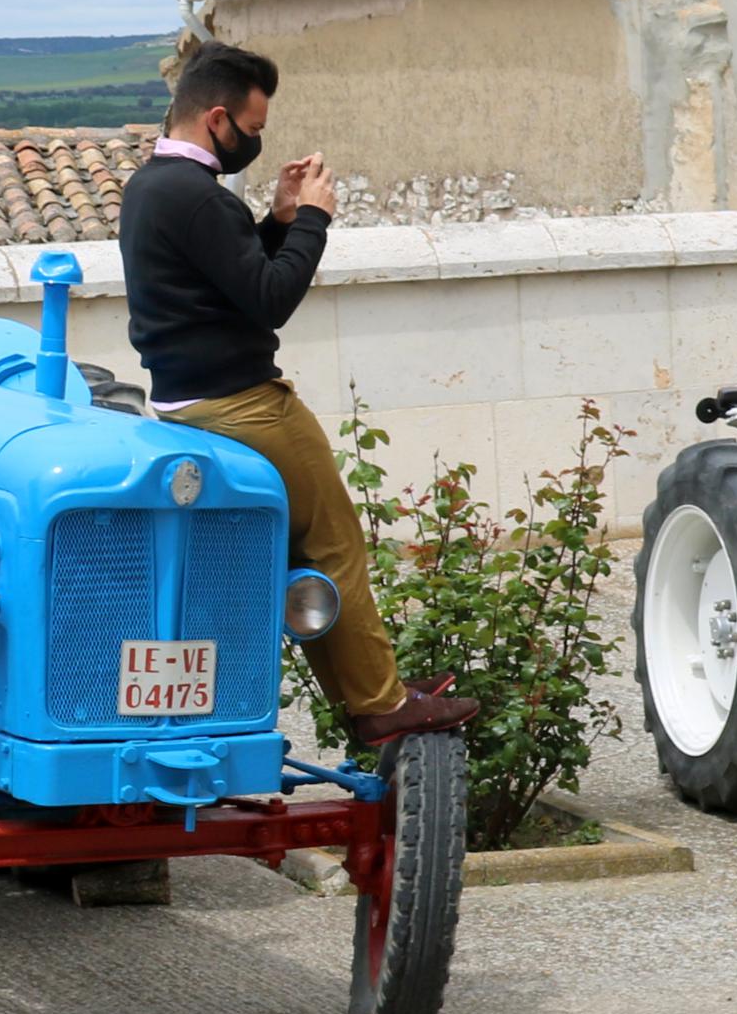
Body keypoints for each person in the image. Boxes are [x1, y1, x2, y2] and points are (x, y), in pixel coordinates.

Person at [116, 41, 476, 744]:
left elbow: (222, 274)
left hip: (180, 401)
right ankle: (379, 702)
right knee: (335, 546)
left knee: (295, 558)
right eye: (252, 127)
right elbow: (269, 297)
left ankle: (366, 692)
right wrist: (313, 217)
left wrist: (276, 219)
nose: (257, 140)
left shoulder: (152, 186)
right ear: (217, 118)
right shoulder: (201, 198)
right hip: (246, 405)